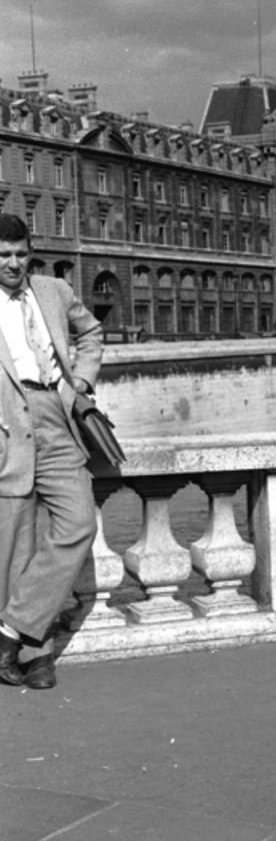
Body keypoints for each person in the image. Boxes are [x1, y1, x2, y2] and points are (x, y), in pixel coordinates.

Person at [0, 214, 104, 690]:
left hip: (57, 417)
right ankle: (34, 656)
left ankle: (7, 632)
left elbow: (91, 332)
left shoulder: (54, 291)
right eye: (3, 255)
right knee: (16, 544)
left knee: (79, 522)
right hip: (7, 425)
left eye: (20, 253)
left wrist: (81, 381)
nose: (13, 263)